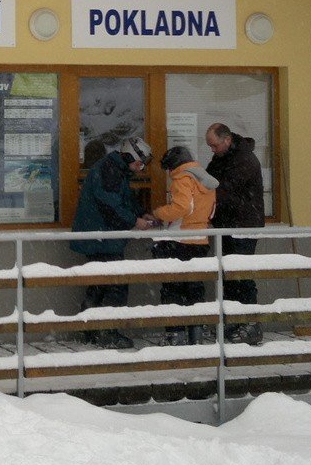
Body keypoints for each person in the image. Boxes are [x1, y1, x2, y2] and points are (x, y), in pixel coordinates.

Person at [70, 138, 155, 345]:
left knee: (99, 285)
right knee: (116, 285)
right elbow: (111, 206)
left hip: (99, 236)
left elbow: (124, 200)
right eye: (139, 163)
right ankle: (107, 333)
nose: (140, 169)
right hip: (103, 237)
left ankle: (89, 330)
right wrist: (135, 220)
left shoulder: (114, 169)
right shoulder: (110, 171)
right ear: (129, 156)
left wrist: (141, 212)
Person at [150, 146, 218, 343]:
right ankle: (196, 332)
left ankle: (175, 333)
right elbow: (211, 211)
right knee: (194, 288)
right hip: (200, 239)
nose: (169, 174)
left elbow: (181, 207)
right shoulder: (204, 179)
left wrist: (158, 214)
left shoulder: (182, 179)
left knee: (172, 288)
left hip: (179, 240)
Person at [206, 121, 266, 344]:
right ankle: (233, 320)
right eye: (210, 146)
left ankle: (250, 324)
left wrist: (206, 196)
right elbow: (213, 183)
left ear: (227, 140)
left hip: (243, 226)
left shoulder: (244, 160)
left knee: (241, 276)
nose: (212, 150)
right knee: (229, 276)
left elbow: (225, 192)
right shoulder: (222, 158)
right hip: (228, 225)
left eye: (214, 146)